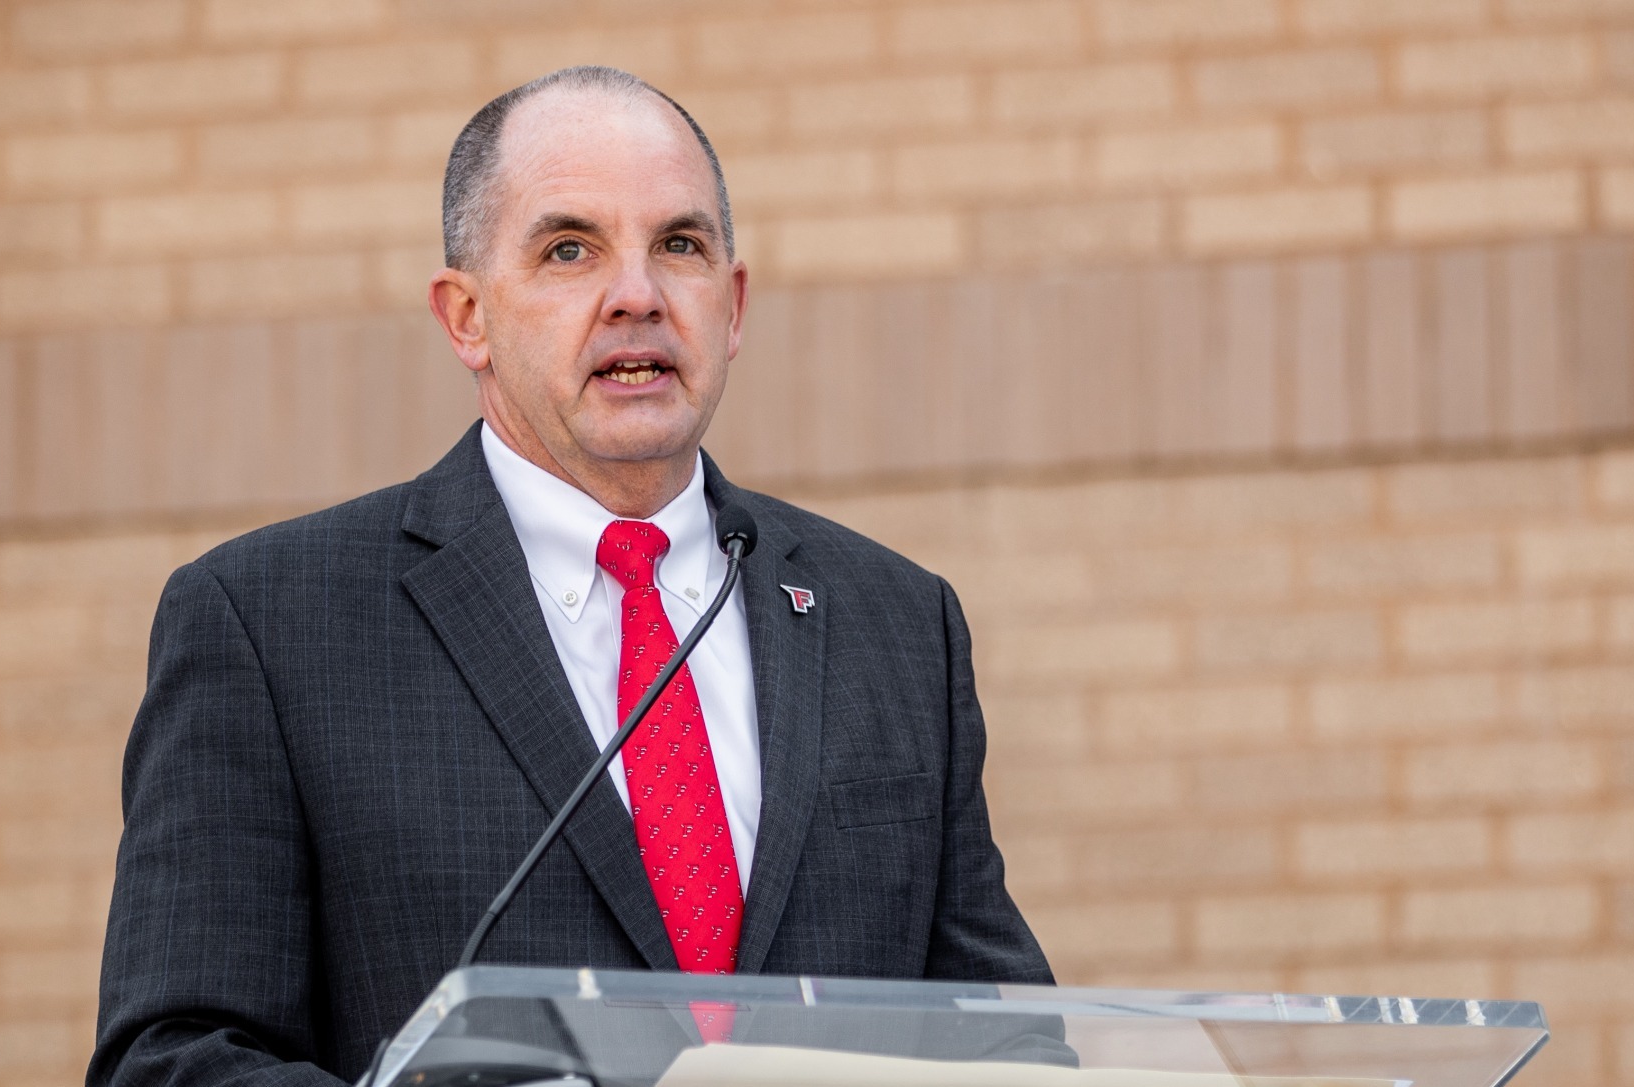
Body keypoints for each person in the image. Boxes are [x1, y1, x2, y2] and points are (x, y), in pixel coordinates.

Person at [89, 66, 1049, 1086]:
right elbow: (173, 1060)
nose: (635, 296)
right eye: (568, 250)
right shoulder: (268, 625)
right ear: (466, 317)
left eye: (679, 245)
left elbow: (1009, 1039)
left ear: (730, 307)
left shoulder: (895, 622)